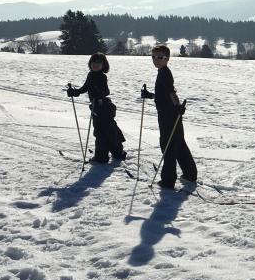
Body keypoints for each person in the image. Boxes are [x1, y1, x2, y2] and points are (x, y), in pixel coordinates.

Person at [140, 44, 197, 189]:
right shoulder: (162, 72)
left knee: (168, 146)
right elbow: (163, 95)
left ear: (167, 59)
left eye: (160, 57)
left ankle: (168, 180)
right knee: (178, 143)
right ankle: (190, 174)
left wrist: (177, 106)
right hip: (169, 114)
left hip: (168, 116)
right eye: (153, 57)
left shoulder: (165, 73)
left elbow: (172, 93)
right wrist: (150, 95)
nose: (156, 60)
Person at [66, 52, 126, 163]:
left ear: (103, 65)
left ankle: (104, 156)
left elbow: (107, 91)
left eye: (99, 62)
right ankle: (114, 152)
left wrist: (99, 93)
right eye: (93, 62)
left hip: (104, 106)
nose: (95, 64)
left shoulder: (102, 77)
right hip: (96, 107)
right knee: (105, 130)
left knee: (103, 131)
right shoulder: (90, 75)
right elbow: (84, 88)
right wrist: (74, 92)